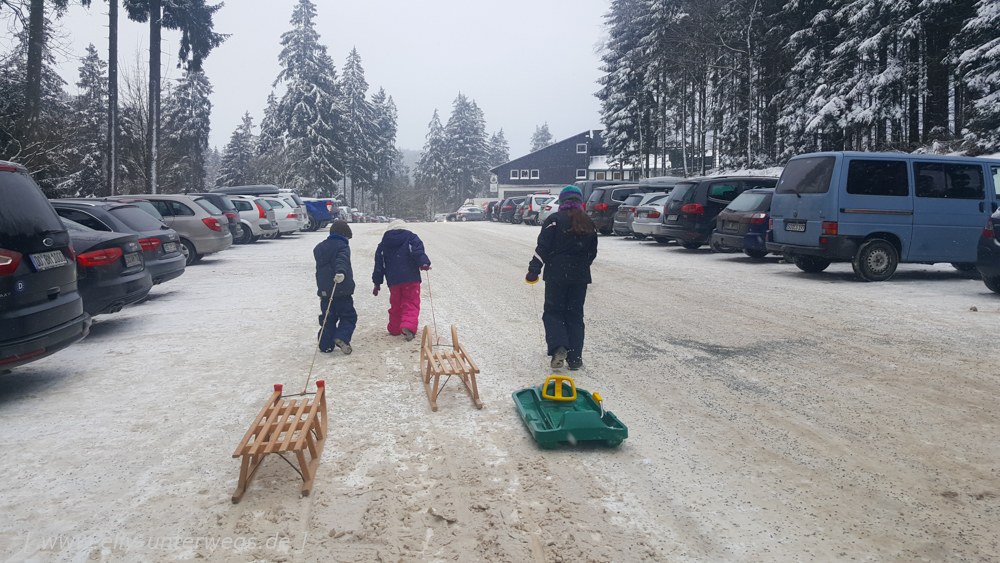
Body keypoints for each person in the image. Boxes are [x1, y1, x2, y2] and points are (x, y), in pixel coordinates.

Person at [526, 185, 598, 370]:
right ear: (580, 201)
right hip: (580, 277)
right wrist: (580, 266)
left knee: (553, 312)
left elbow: (543, 246)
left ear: (562, 201)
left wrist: (534, 269)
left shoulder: (554, 220)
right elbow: (592, 252)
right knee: (575, 315)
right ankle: (575, 357)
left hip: (556, 275)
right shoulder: (588, 222)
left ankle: (559, 347)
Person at [372, 219, 431, 341]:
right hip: (411, 277)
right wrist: (423, 263)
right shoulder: (411, 237)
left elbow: (379, 265)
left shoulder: (383, 244)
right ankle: (408, 326)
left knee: (396, 303)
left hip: (393, 279)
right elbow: (417, 252)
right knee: (411, 302)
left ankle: (394, 328)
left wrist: (377, 282)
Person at [314, 220, 357, 354]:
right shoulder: (342, 246)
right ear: (343, 235)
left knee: (328, 317)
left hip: (325, 291)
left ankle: (325, 344)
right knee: (348, 316)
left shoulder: (320, 247)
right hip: (342, 289)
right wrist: (341, 272)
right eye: (348, 237)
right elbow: (341, 260)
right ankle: (342, 337)